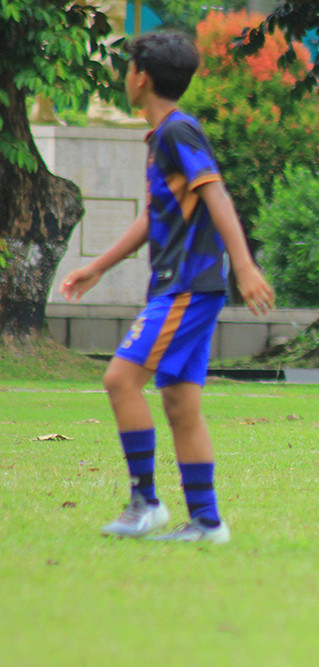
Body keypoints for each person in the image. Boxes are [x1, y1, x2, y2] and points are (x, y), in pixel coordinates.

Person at [59, 31, 275, 542]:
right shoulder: (164, 138)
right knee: (179, 400)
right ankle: (206, 522)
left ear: (141, 77)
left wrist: (243, 266)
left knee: (119, 380)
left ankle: (145, 502)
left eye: (127, 67)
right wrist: (99, 267)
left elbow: (216, 194)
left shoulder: (179, 133)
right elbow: (157, 215)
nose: (124, 76)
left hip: (187, 286)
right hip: (181, 286)